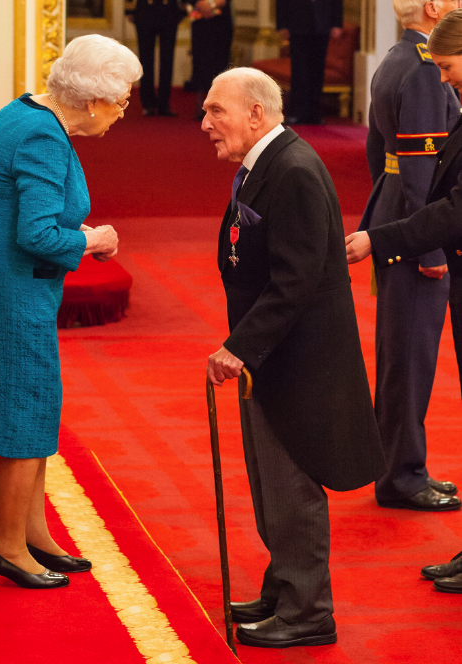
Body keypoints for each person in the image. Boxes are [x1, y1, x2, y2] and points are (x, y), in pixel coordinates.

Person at [0, 35, 142, 589]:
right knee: (26, 410)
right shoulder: (44, 137)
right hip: (8, 288)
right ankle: (7, 546)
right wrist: (95, 241)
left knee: (37, 406)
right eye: (121, 102)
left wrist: (80, 235)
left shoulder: (22, 111)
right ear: (94, 101)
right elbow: (39, 233)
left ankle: (32, 534)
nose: (122, 113)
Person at [202, 67, 384, 648]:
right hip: (275, 358)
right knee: (270, 487)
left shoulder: (295, 170)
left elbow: (296, 282)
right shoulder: (266, 166)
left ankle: (309, 611)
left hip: (301, 363)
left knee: (292, 486)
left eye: (216, 111)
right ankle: (283, 588)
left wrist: (239, 346)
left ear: (256, 113)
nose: (205, 124)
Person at [356, 0, 461, 512]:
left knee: (402, 355)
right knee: (410, 360)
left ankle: (401, 466)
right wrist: (431, 245)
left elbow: (380, 155)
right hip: (418, 233)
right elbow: (425, 171)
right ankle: (403, 474)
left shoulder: (397, 56)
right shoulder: (424, 69)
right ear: (433, 7)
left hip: (395, 216)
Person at [276, 0, 343, 125]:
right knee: (299, 70)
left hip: (322, 23)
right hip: (297, 23)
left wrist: (337, 23)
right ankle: (297, 112)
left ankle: (315, 113)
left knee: (318, 71)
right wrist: (282, 24)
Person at [126, 0, 184, 116]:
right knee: (145, 59)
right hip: (145, 9)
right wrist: (129, 9)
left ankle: (164, 103)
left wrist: (182, 9)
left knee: (167, 59)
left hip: (169, 10)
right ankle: (148, 103)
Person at [190, 0, 234, 120]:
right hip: (199, 19)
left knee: (220, 64)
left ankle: (220, 107)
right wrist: (199, 4)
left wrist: (214, 3)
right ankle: (201, 106)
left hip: (222, 21)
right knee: (200, 63)